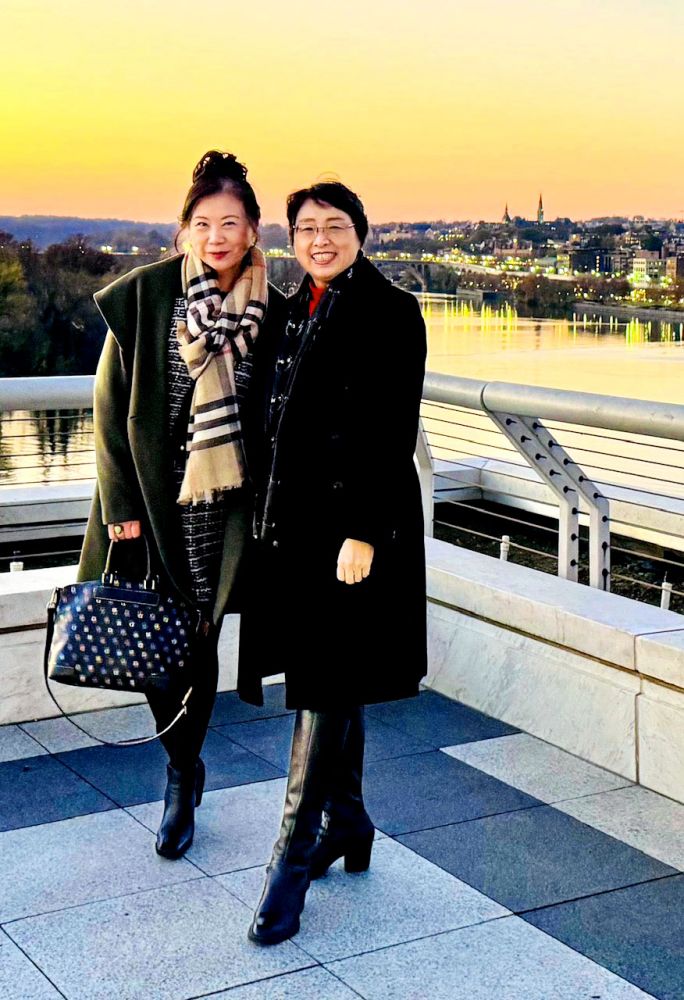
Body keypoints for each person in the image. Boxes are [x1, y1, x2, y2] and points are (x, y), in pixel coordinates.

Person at [78, 150, 286, 860]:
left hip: (227, 509)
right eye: (204, 223)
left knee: (200, 639)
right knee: (155, 645)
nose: (217, 236)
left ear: (253, 230)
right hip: (151, 501)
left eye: (231, 223)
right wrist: (120, 507)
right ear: (184, 230)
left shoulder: (273, 312)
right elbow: (109, 410)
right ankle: (182, 767)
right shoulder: (148, 295)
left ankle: (179, 774)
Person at [238, 181, 427, 944]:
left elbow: (392, 430)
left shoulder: (392, 311)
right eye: (307, 228)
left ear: (361, 233)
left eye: (335, 225)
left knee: (322, 684)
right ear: (292, 239)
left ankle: (288, 862)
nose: (321, 239)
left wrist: (366, 533)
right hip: (294, 531)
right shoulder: (290, 311)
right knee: (334, 676)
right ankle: (347, 823)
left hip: (353, 534)